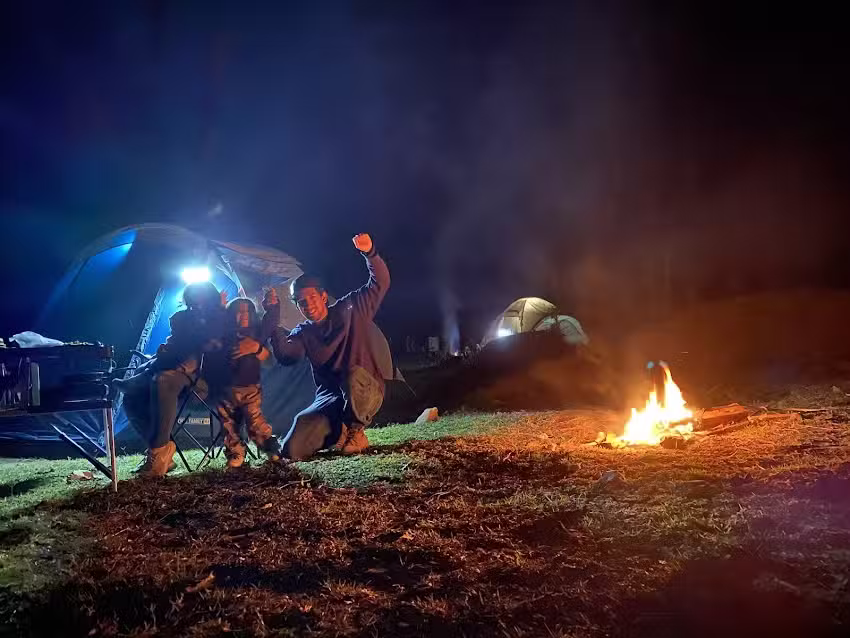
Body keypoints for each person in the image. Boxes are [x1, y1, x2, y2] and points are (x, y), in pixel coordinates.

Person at [263, 233, 390, 460]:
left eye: (312, 298)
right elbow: (286, 356)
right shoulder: (304, 332)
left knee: (351, 375)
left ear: (323, 297)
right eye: (301, 302)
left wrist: (370, 253)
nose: (308, 305)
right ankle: (336, 433)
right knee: (293, 450)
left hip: (365, 389)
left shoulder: (350, 309)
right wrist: (272, 315)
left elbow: (380, 283)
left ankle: (356, 432)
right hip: (330, 399)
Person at [117, 281, 227, 476]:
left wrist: (188, 364)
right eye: (193, 302)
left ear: (211, 299)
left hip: (205, 382)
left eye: (202, 301)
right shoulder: (182, 319)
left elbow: (214, 350)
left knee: (163, 379)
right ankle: (161, 450)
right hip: (177, 373)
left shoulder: (220, 319)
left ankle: (159, 452)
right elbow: (175, 345)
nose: (197, 306)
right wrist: (165, 351)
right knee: (131, 398)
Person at [214, 297, 282, 468]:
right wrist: (219, 307)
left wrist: (273, 306)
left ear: (252, 314)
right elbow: (216, 322)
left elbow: (270, 322)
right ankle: (235, 453)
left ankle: (270, 449)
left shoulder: (256, 333)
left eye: (246, 311)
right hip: (226, 389)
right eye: (238, 312)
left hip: (250, 389)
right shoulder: (224, 332)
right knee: (229, 425)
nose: (242, 315)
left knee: (256, 422)